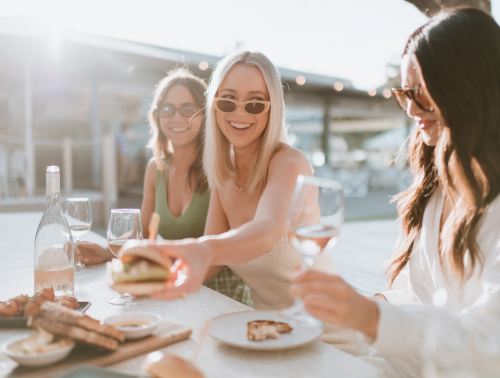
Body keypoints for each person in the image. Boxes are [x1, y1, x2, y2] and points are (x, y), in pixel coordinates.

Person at [291, 8, 500, 377]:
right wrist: (372, 303)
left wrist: (373, 318)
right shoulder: (436, 189)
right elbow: (422, 297)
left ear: (469, 84)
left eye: (421, 90)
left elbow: (489, 348)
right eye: (405, 92)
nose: (410, 108)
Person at [149, 51, 367, 356]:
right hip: (270, 335)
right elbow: (210, 263)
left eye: (254, 103)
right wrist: (150, 268)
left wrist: (201, 249)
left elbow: (266, 233)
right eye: (227, 101)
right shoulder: (223, 175)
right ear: (214, 106)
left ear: (271, 109)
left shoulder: (289, 162)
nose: (240, 113)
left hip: (328, 339)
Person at [76, 68, 251, 306]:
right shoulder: (155, 168)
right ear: (157, 116)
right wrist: (108, 253)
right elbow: (142, 236)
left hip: (222, 296)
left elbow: (212, 259)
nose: (176, 118)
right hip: (172, 288)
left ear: (205, 114)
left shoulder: (222, 167)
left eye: (188, 109)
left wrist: (154, 275)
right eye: (167, 109)